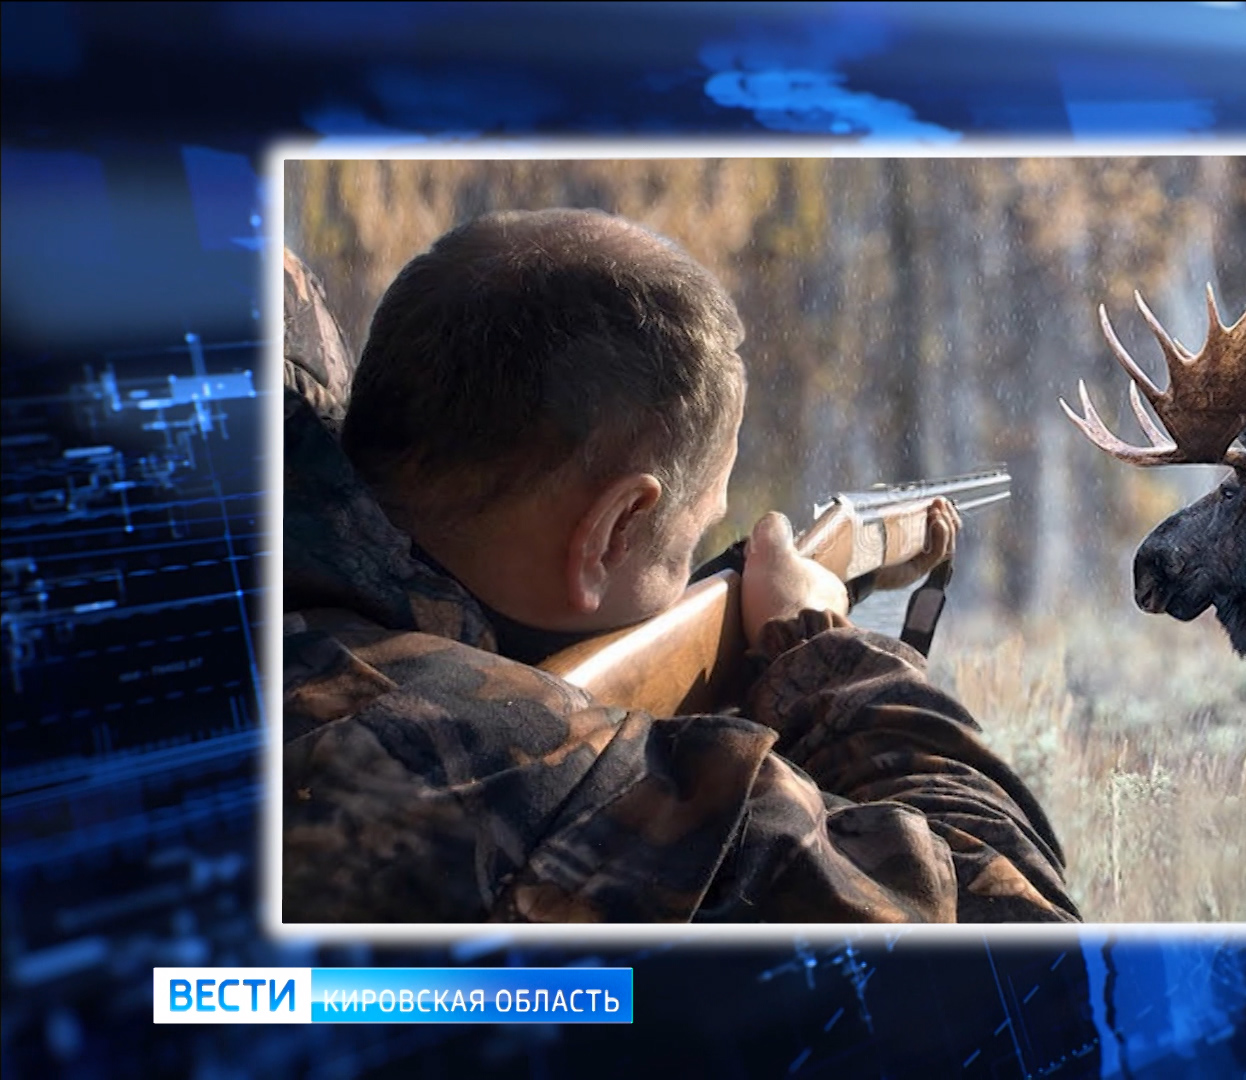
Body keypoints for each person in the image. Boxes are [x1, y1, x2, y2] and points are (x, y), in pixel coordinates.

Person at [280, 210, 1078, 923]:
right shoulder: (526, 775)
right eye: (693, 537)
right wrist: (822, 650)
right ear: (614, 529)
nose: (693, 569)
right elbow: (1025, 953)